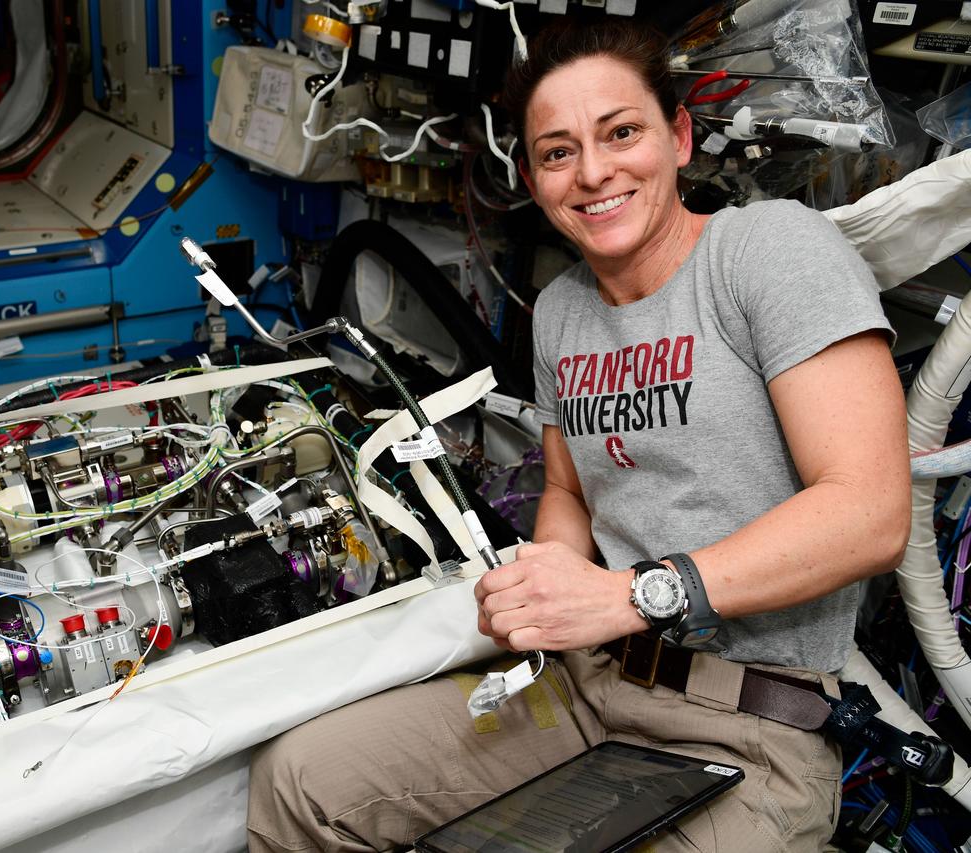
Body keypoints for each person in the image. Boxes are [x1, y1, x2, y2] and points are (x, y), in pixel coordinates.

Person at [247, 18, 910, 853]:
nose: (594, 172)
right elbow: (566, 489)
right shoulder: (562, 311)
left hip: (748, 724)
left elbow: (870, 512)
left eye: (622, 133)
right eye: (558, 152)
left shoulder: (768, 251)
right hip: (581, 687)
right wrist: (542, 590)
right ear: (532, 176)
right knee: (303, 780)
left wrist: (631, 593)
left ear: (678, 136)